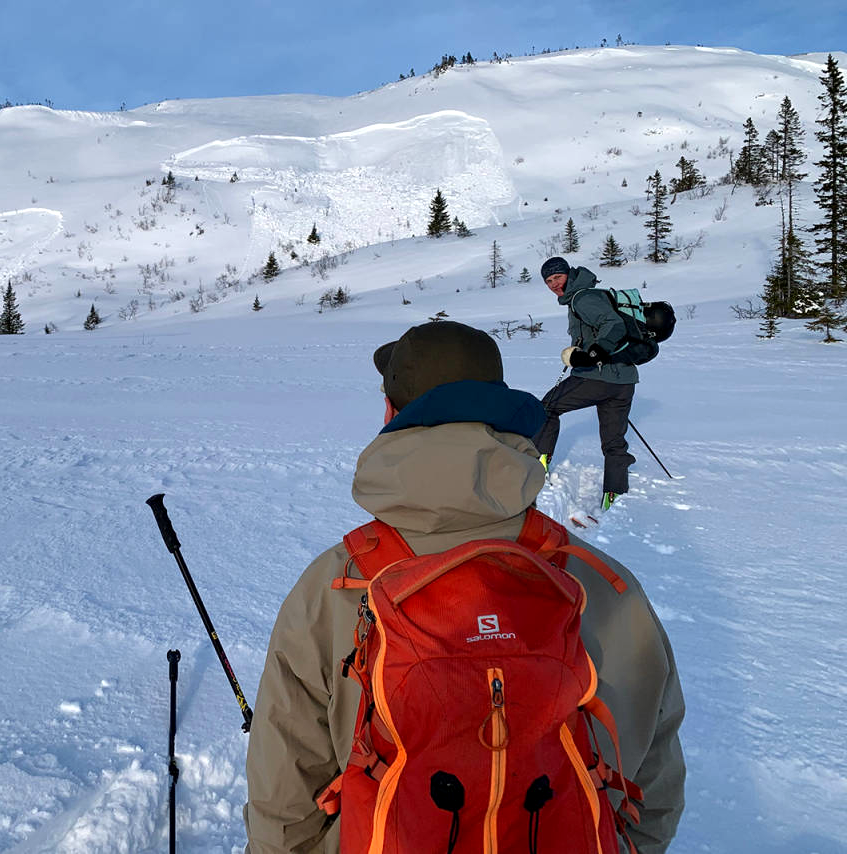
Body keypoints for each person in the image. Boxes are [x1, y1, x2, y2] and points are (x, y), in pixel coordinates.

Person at [243, 320, 685, 854]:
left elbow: (285, 800)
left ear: (391, 416)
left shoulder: (335, 586)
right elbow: (653, 785)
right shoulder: (603, 583)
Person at [533, 256, 643, 511]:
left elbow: (613, 325)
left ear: (568, 275)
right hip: (623, 381)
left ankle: (538, 464)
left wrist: (593, 353)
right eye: (548, 281)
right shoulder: (585, 296)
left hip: (597, 377)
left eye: (557, 277)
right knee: (614, 441)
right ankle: (614, 494)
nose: (553, 284)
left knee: (547, 407)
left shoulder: (583, 298)